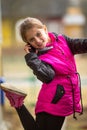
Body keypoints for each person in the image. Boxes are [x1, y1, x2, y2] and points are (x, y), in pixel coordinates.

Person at [2, 17, 87, 130]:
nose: (37, 40)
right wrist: (31, 58)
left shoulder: (62, 40)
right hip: (55, 101)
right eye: (32, 40)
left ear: (45, 29)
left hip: (61, 98)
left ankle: (17, 102)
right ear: (28, 44)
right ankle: (18, 102)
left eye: (38, 34)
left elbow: (82, 44)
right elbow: (47, 76)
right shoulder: (39, 56)